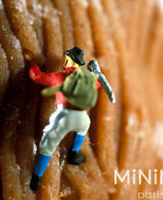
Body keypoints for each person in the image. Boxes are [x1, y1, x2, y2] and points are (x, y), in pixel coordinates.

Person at [27, 47, 112, 191]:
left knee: (48, 145)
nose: (64, 61)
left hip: (64, 116)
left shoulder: (59, 77)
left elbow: (37, 76)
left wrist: (31, 63)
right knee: (83, 129)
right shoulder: (88, 79)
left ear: (69, 61)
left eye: (67, 59)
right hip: (82, 118)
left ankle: (36, 179)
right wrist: (96, 73)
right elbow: (98, 84)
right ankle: (74, 153)